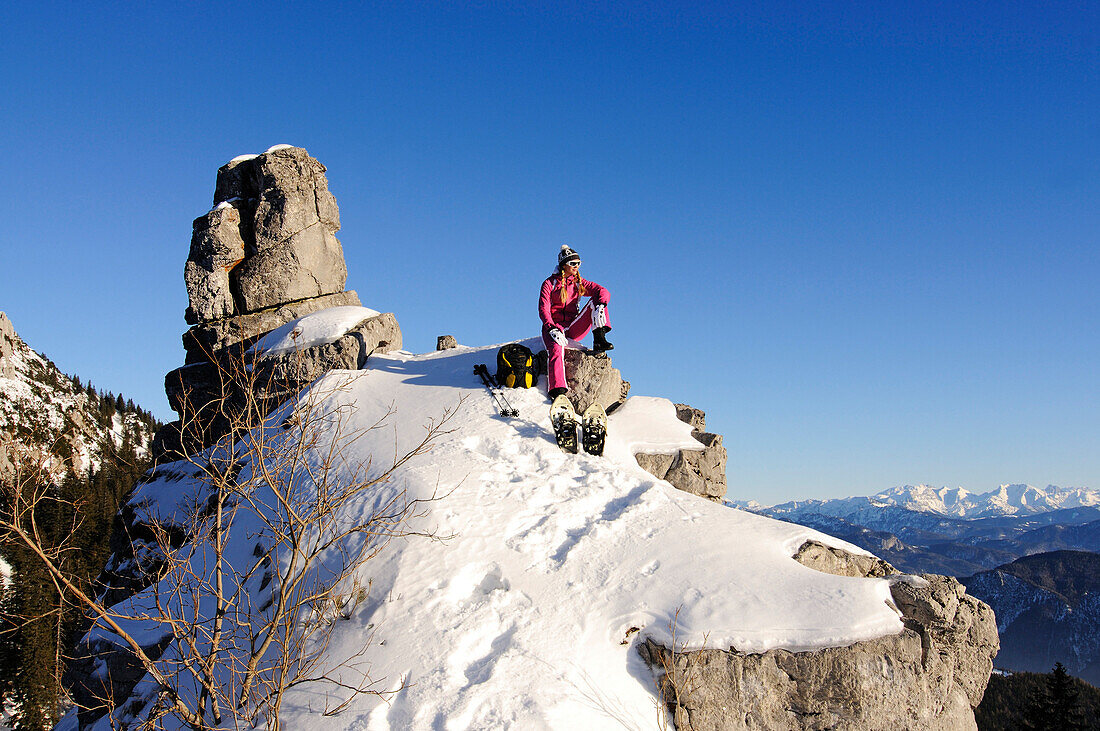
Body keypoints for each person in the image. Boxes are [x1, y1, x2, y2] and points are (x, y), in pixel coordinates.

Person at [538, 245, 613, 400]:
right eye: (573, 263)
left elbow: (602, 290)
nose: (576, 266)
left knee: (596, 302)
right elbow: (543, 308)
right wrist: (551, 327)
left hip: (573, 326)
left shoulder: (579, 283)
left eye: (579, 263)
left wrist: (602, 304)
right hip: (554, 327)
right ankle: (557, 390)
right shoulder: (549, 283)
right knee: (556, 350)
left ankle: (599, 338)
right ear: (563, 265)